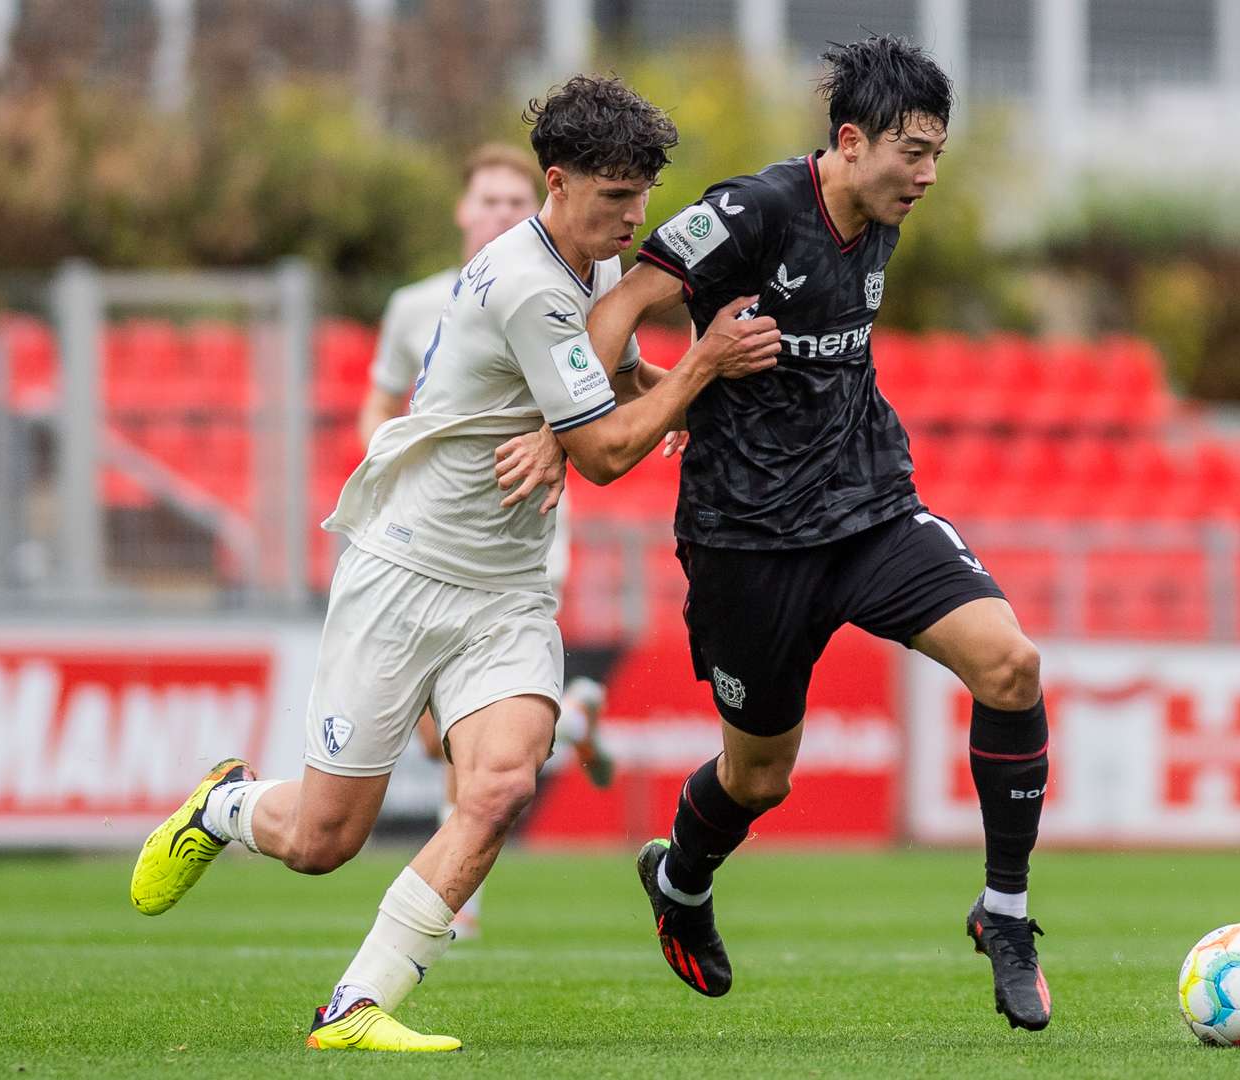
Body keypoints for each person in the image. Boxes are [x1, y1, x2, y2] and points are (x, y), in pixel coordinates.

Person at [128, 74, 781, 1052]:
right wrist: (692, 373)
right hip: (404, 571)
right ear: (554, 182)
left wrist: (639, 388)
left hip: (506, 589)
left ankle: (354, 1005)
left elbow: (600, 388)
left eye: (643, 195)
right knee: (322, 840)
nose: (633, 217)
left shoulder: (592, 263)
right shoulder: (523, 281)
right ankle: (224, 805)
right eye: (614, 197)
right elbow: (606, 453)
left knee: (502, 785)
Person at [584, 35, 1055, 1031]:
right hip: (746, 541)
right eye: (912, 154)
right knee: (761, 777)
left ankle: (1005, 913)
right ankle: (681, 880)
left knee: (1010, 664)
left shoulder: (881, 209)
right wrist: (663, 390)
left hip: (870, 508)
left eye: (938, 154)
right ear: (850, 141)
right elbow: (616, 308)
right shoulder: (751, 211)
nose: (927, 176)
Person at [357, 141, 614, 941]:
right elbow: (380, 403)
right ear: (463, 211)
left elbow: (592, 385)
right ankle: (569, 720)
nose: (502, 214)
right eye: (488, 201)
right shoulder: (415, 305)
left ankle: (455, 898)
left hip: (523, 526)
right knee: (439, 737)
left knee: (465, 725)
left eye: (514, 201)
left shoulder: (560, 286)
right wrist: (389, 472)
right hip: (427, 530)